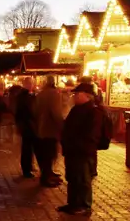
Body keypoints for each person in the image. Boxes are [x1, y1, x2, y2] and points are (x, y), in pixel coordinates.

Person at [58, 83, 103, 216]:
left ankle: (84, 205)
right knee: (72, 178)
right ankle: (73, 203)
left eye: (78, 94)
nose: (75, 96)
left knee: (82, 179)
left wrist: (78, 145)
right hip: (72, 151)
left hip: (83, 153)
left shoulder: (93, 112)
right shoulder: (76, 109)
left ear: (87, 96)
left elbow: (92, 135)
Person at [35, 75, 63, 187]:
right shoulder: (54, 94)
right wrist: (61, 125)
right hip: (50, 128)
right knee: (49, 153)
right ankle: (45, 177)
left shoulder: (41, 93)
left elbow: (35, 110)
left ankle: (47, 173)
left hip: (41, 127)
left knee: (45, 153)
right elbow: (56, 112)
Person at [15, 77, 37, 178]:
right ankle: (26, 169)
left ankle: (28, 166)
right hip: (28, 125)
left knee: (28, 147)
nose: (33, 85)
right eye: (31, 83)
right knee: (27, 148)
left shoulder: (25, 95)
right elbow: (29, 111)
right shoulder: (25, 96)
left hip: (26, 124)